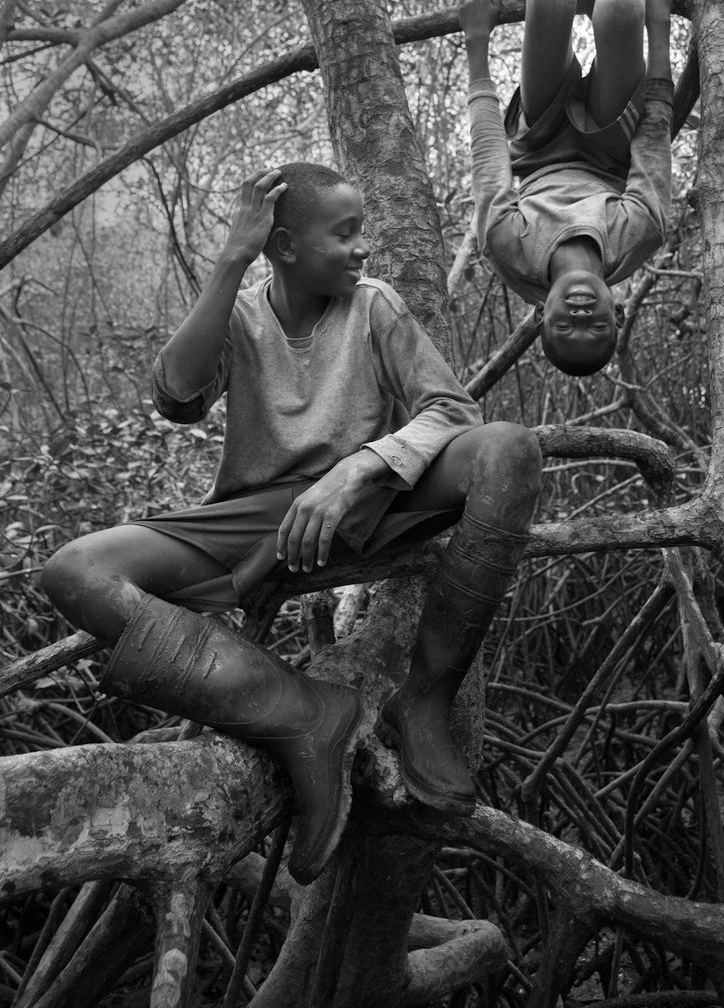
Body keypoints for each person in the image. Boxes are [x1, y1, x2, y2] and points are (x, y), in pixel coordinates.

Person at [42, 162, 542, 885]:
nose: (362, 248)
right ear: (283, 247)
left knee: (509, 448)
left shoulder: (374, 307)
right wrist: (230, 259)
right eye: (344, 235)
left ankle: (424, 702)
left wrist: (354, 470)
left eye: (362, 231)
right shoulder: (241, 315)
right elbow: (177, 396)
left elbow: (454, 413)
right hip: (260, 518)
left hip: (374, 497)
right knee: (74, 571)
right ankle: (303, 713)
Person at [458, 0, 674, 376]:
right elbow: (653, 137)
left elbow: (490, 158)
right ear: (617, 314)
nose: (581, 316)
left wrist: (477, 43)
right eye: (596, 327)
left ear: (542, 312)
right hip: (609, 141)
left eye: (564, 327)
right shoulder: (640, 235)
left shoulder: (507, 249)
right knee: (622, 7)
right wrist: (660, 27)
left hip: (537, 140)